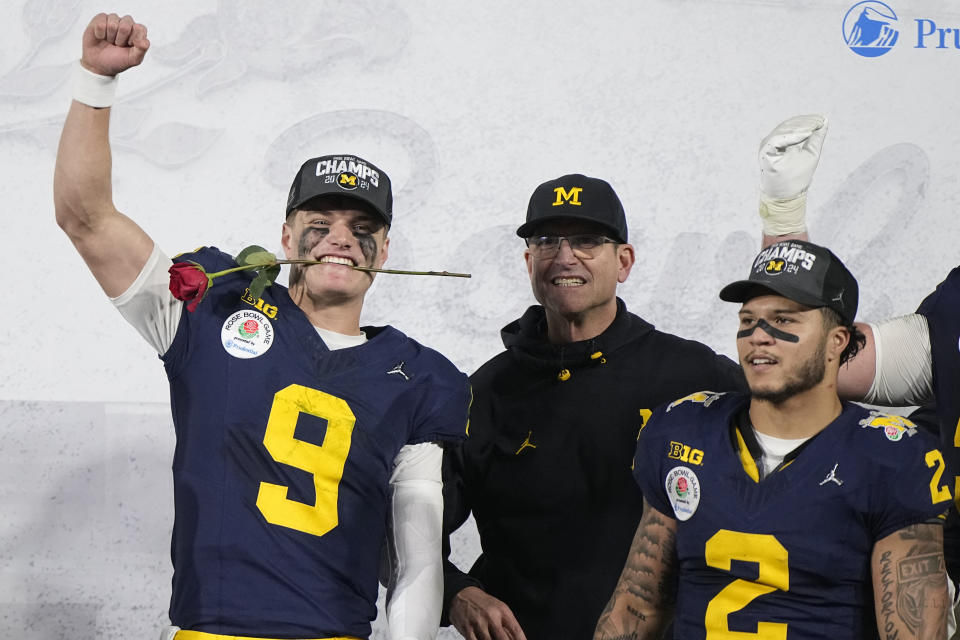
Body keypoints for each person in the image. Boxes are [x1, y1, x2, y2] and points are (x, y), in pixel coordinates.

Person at [54, 13, 470, 640]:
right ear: (284, 235)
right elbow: (85, 217)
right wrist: (95, 83)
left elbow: (414, 556)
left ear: (383, 251)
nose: (339, 238)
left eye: (361, 228)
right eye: (320, 219)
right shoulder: (216, 303)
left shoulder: (417, 376)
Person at [440, 173, 748, 640]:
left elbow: (803, 416)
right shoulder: (482, 393)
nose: (565, 256)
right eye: (546, 241)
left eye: (587, 240)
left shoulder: (693, 375)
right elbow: (406, 528)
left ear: (624, 261)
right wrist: (455, 592)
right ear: (528, 262)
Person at [594, 239, 951, 639]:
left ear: (838, 341)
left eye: (783, 321)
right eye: (748, 320)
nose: (758, 336)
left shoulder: (891, 456)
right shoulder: (682, 429)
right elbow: (635, 608)